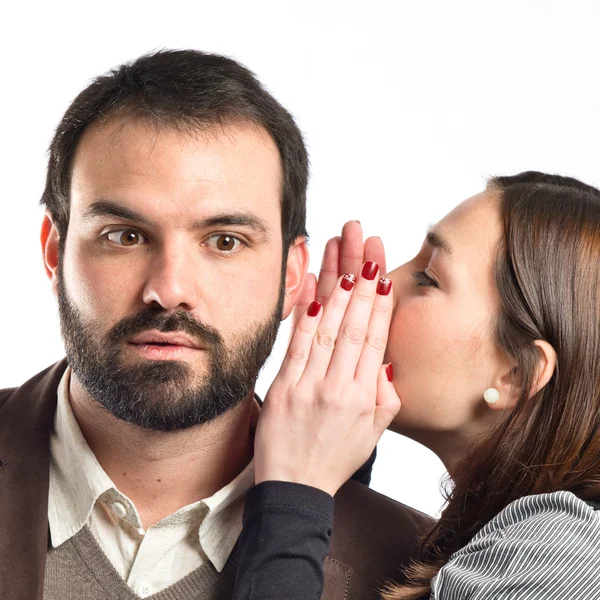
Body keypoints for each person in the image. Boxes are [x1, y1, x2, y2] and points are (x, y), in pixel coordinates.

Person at [0, 49, 431, 600]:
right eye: (125, 235)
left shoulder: (412, 571)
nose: (170, 289)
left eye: (225, 242)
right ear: (54, 254)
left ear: (292, 278)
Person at [232, 172, 600, 599]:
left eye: (428, 277)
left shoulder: (559, 559)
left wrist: (295, 494)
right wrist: (332, 455)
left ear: (516, 375)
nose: (381, 286)